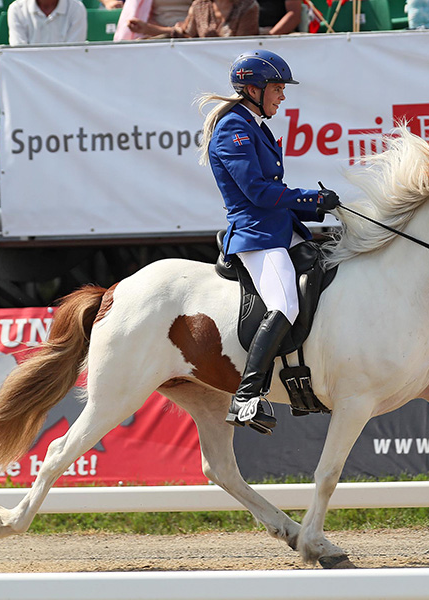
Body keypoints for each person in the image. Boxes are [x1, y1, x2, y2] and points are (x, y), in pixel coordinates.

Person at [197, 50, 340, 434]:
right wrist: (310, 198)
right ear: (253, 89)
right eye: (277, 88)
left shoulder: (255, 124)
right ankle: (246, 398)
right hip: (256, 235)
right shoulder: (234, 128)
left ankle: (302, 380)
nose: (282, 96)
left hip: (281, 228)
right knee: (284, 303)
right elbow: (259, 193)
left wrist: (321, 207)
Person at [128, 0, 258, 36]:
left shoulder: (248, 6)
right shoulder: (200, 5)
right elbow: (185, 34)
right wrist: (147, 29)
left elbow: (242, 47)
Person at [7, 0, 88, 44]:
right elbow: (18, 53)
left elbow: (74, 52)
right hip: (26, 73)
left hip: (66, 71)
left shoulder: (77, 8)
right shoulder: (16, 9)